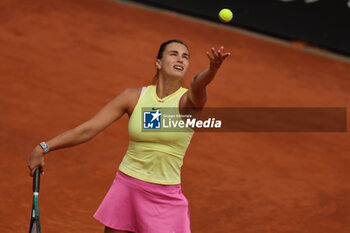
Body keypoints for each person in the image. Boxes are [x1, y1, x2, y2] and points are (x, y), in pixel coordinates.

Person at [27, 39, 230, 233]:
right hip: (127, 187)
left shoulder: (188, 102)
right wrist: (44, 147)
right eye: (174, 54)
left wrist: (212, 71)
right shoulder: (132, 97)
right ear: (158, 62)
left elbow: (198, 84)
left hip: (164, 198)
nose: (180, 59)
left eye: (185, 57)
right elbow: (88, 129)